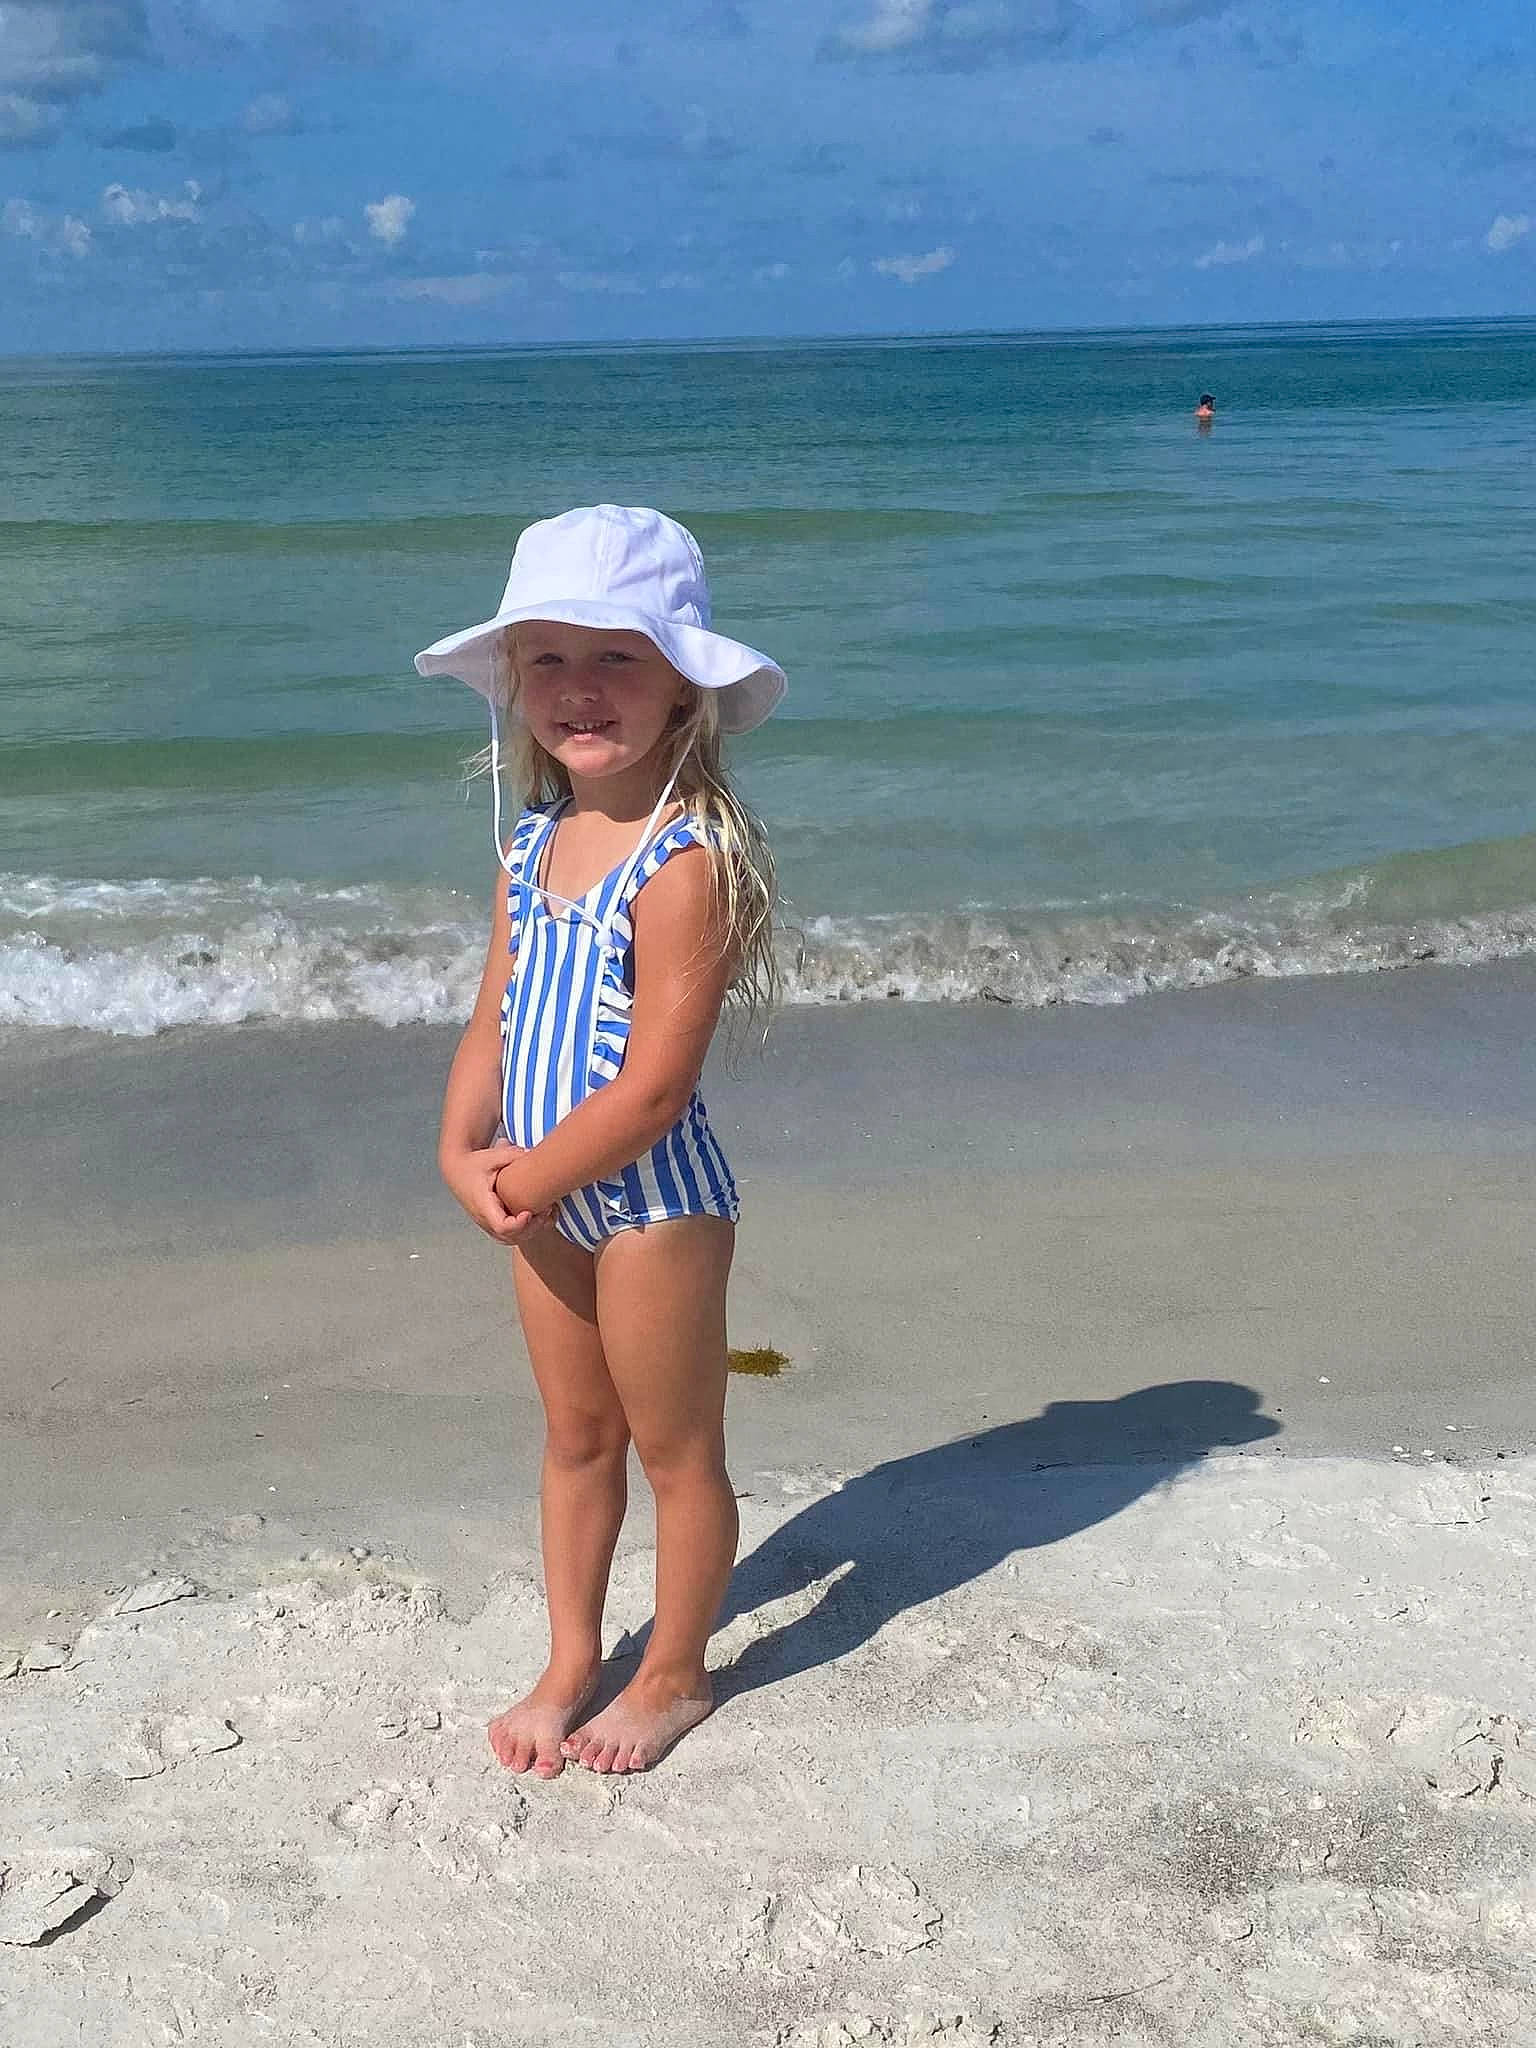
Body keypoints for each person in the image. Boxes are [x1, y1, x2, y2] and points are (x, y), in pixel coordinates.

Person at [415, 505, 785, 1777]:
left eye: (619, 656)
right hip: (540, 1188)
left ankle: (675, 1669)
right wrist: (465, 1148)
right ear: (515, 684)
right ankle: (574, 1652)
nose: (581, 687)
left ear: (685, 684)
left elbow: (653, 1092)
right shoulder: (533, 842)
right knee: (576, 1437)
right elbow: (495, 1012)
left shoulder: (688, 861)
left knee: (677, 1445)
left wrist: (526, 1173)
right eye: (551, 658)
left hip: (651, 1203)